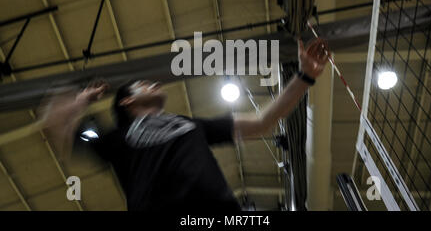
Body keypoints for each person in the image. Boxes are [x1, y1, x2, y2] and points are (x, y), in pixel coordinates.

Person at [42, 38, 329, 211]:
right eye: (143, 84)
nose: (154, 83)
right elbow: (54, 122)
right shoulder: (117, 138)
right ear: (126, 102)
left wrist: (305, 77)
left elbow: (262, 122)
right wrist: (82, 98)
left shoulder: (191, 125)